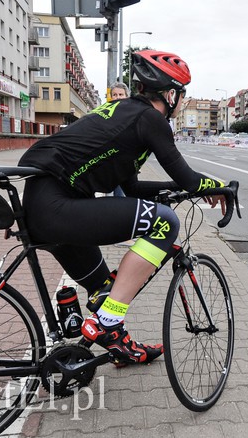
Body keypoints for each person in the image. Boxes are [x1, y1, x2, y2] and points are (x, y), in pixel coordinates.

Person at [18, 50, 228, 365]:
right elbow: (188, 177)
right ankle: (107, 321)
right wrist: (220, 187)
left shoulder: (125, 114)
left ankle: (117, 345)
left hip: (46, 206)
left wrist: (175, 189)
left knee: (105, 287)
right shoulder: (150, 119)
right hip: (57, 207)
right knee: (166, 222)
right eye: (182, 94)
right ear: (171, 94)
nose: (182, 101)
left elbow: (133, 189)